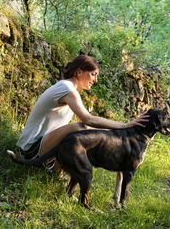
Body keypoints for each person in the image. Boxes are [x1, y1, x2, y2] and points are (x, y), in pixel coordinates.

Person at [16, 55, 148, 170]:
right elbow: (88, 119)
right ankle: (60, 171)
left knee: (86, 131)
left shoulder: (69, 89)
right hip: (31, 149)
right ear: (79, 72)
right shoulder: (66, 89)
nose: (95, 80)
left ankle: (59, 172)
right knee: (80, 127)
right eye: (93, 74)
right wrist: (126, 125)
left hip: (43, 145)